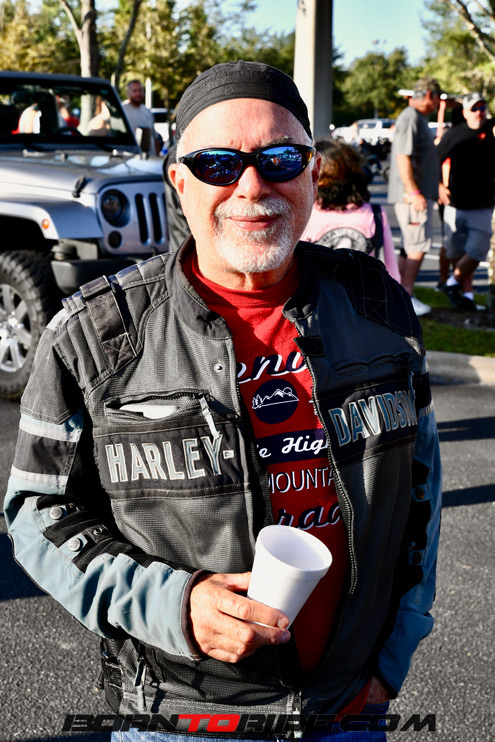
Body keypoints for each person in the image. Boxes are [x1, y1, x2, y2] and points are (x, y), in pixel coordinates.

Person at [5, 61, 441, 742]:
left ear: (311, 175)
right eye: (217, 163)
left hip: (349, 708)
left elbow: (421, 490)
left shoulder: (376, 305)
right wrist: (173, 605)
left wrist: (391, 658)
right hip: (182, 714)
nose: (252, 186)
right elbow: (37, 512)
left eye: (280, 159)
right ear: (178, 181)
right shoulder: (92, 337)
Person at [301, 139, 400, 282]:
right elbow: (392, 273)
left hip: (317, 294)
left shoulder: (306, 213)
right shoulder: (375, 213)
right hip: (364, 293)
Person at [387, 77, 441, 316]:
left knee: (411, 246)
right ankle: (406, 298)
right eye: (438, 98)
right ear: (429, 95)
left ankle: (401, 295)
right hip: (412, 196)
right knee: (418, 245)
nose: (438, 103)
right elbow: (403, 156)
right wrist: (414, 192)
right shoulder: (410, 117)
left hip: (415, 194)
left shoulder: (417, 117)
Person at [436, 93, 495, 311]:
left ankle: (451, 283)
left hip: (483, 205)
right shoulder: (454, 135)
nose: (479, 112)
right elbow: (434, 160)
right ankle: (466, 296)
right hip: (455, 204)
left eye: (482, 108)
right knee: (456, 252)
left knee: (477, 251)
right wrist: (439, 186)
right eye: (474, 109)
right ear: (465, 112)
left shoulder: (491, 128)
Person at [122, 79, 161, 154]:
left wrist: (158, 155)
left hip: (150, 157)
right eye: (135, 91)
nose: (138, 93)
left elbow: (154, 137)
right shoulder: (123, 110)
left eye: (140, 90)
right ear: (128, 93)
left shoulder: (147, 111)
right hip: (131, 156)